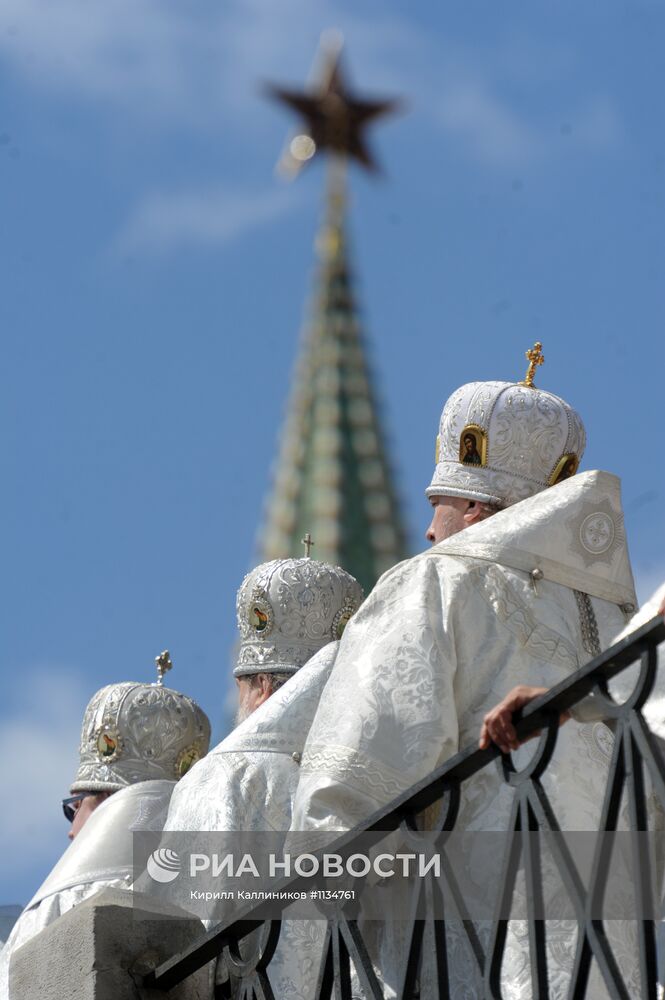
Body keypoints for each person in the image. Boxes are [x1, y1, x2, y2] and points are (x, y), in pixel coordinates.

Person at [290, 356, 641, 998]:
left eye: (439, 503)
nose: (428, 528)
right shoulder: (624, 618)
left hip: (475, 936)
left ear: (476, 506)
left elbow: (349, 791)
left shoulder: (433, 581)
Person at [152, 555, 363, 998]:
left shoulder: (227, 775)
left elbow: (183, 928)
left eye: (242, 687)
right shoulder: (373, 772)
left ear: (262, 686)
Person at [0, 655, 210, 998]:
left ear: (102, 802)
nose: (70, 831)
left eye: (74, 808)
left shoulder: (54, 908)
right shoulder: (204, 885)